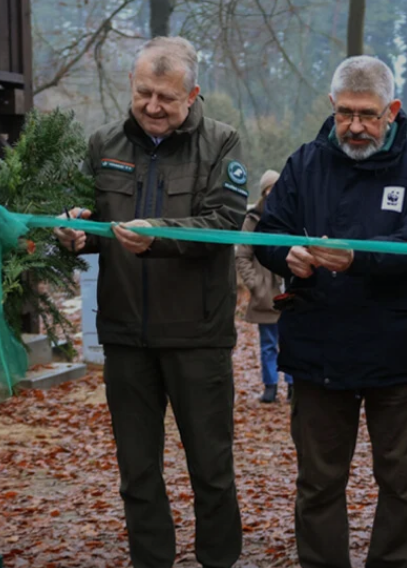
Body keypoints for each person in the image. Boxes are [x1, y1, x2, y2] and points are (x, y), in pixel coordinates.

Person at [53, 36, 245, 567]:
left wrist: (158, 233)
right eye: (144, 94)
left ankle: (219, 560)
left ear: (192, 95)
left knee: (211, 468)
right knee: (137, 471)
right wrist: (76, 233)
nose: (153, 107)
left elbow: (225, 224)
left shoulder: (222, 144)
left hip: (197, 337)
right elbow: (93, 223)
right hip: (126, 335)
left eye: (166, 97)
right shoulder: (104, 142)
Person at [253, 55, 407, 568]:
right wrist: (285, 254)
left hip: (400, 352)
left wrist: (361, 258)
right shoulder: (304, 163)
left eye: (367, 114)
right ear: (331, 107)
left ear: (393, 110)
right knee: (318, 484)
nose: (355, 126)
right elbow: (267, 233)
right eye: (345, 113)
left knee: (403, 485)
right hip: (318, 348)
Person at [235, 169, 294, 403]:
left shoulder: (293, 213)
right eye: (270, 188)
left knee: (290, 341)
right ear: (263, 192)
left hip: (289, 290)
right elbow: (242, 256)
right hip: (265, 293)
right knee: (268, 343)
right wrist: (256, 285)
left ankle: (292, 385)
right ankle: (270, 386)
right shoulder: (253, 220)